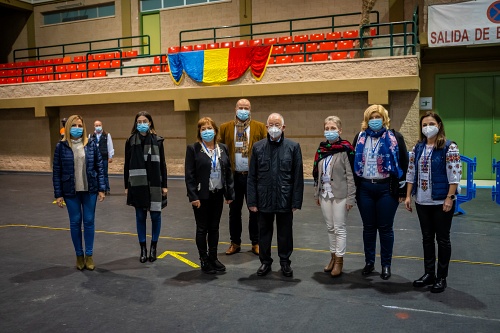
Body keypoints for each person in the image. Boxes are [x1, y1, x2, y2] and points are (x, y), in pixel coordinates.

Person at [405, 111, 461, 293]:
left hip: (441, 201)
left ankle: (441, 277)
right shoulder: (418, 148)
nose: (427, 127)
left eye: (430, 123)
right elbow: (411, 172)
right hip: (422, 201)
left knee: (443, 239)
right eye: (424, 125)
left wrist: (449, 197)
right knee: (427, 239)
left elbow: (455, 175)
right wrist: (408, 195)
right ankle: (429, 273)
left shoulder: (449, 147)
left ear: (439, 125)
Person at [352, 104, 408, 280]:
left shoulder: (394, 137)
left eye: (378, 117)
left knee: (385, 228)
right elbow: (354, 162)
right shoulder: (360, 137)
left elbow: (404, 163)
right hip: (365, 188)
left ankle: (386, 265)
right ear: (366, 120)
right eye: (371, 117)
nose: (374, 120)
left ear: (384, 119)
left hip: (386, 188)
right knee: (368, 228)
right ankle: (369, 262)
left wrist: (402, 191)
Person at [247, 113, 304, 277]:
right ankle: (265, 262)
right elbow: (252, 176)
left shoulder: (293, 147)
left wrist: (296, 201)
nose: (274, 128)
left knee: (285, 233)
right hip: (263, 198)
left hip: (285, 198)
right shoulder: (258, 147)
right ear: (266, 127)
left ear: (283, 127)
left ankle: (285, 262)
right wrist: (252, 200)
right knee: (264, 232)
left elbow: (297, 176)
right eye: (271, 124)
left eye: (277, 124)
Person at [52, 115, 106, 271]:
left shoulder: (91, 144)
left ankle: (89, 255)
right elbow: (57, 171)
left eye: (80, 125)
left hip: (90, 191)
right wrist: (59, 194)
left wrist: (101, 188)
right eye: (74, 125)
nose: (78, 128)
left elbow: (99, 167)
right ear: (69, 127)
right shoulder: (61, 147)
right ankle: (79, 255)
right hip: (70, 192)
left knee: (89, 222)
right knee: (75, 223)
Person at [185, 117, 235, 274]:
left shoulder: (223, 148)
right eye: (203, 129)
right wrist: (193, 196)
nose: (207, 131)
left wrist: (229, 193)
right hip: (201, 196)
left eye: (209, 128)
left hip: (217, 194)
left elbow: (228, 173)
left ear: (215, 131)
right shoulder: (193, 149)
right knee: (202, 229)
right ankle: (204, 260)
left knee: (214, 228)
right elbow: (189, 175)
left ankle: (213, 257)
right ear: (199, 132)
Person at [219, 99, 267, 256]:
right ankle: (235, 242)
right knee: (234, 211)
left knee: (254, 210)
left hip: (253, 177)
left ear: (250, 109)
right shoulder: (225, 128)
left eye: (246, 108)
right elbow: (221, 152)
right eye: (241, 107)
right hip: (234, 177)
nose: (243, 110)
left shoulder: (259, 127)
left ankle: (256, 242)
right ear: (235, 109)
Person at [313, 116, 356, 277]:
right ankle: (332, 257)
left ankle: (339, 261)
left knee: (339, 228)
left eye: (333, 128)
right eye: (327, 128)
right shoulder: (321, 149)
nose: (329, 131)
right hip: (324, 194)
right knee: (330, 228)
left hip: (340, 194)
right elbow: (317, 173)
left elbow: (351, 176)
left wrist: (351, 198)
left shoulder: (346, 149)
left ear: (340, 130)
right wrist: (317, 193)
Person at [124, 111, 168, 263]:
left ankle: (153, 247)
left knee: (156, 216)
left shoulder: (158, 140)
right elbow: (126, 164)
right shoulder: (130, 140)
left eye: (145, 121)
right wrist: (126, 185)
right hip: (137, 184)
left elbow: (162, 164)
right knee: (140, 216)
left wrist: (165, 185)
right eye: (139, 121)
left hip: (155, 183)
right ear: (136, 123)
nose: (142, 123)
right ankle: (143, 248)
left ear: (150, 122)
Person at [89, 120, 114, 195]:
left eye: (99, 125)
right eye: (96, 125)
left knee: (104, 173)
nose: (98, 127)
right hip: (94, 158)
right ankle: (97, 189)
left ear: (102, 125)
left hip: (104, 157)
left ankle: (106, 188)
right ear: (94, 126)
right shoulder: (91, 136)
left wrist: (110, 156)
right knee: (95, 173)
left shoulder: (107, 135)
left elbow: (110, 145)